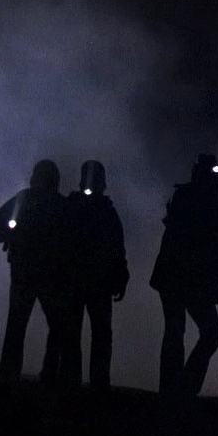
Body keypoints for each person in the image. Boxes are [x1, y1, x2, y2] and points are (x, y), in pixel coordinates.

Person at [150, 154, 218, 398]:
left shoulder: (189, 199)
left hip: (179, 277)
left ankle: (177, 389)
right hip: (182, 277)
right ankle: (179, 390)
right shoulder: (193, 201)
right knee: (189, 332)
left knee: (183, 331)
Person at [0, 160, 72, 385]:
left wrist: (8, 235)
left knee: (17, 324)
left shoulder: (26, 198)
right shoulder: (61, 205)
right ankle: (48, 376)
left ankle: (10, 374)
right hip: (49, 274)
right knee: (56, 326)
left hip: (26, 271)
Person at [63, 160, 129, 390]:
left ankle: (89, 382)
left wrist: (120, 276)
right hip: (86, 280)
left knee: (93, 333)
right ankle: (82, 382)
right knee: (81, 333)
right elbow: (118, 250)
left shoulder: (94, 211)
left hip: (93, 281)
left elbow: (118, 250)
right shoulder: (102, 212)